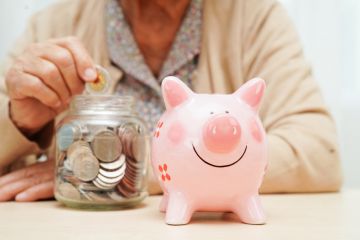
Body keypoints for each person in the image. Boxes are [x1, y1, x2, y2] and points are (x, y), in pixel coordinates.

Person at [0, 0, 342, 202]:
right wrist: (20, 121)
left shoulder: (252, 16)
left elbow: (318, 152)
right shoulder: (56, 21)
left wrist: (126, 173)